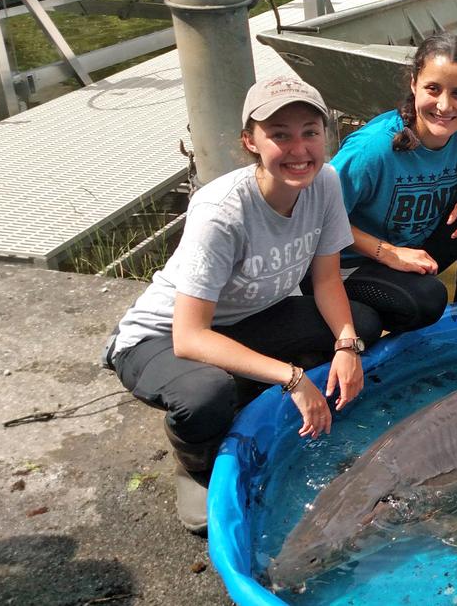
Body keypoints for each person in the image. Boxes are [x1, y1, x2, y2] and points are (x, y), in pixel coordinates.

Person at [102, 76, 383, 534]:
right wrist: (292, 378)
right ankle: (196, 462)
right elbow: (189, 335)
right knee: (205, 395)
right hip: (161, 337)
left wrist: (347, 346)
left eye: (310, 132)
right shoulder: (221, 211)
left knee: (362, 324)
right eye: (280, 134)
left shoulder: (325, 182)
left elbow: (327, 278)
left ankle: (254, 394)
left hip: (246, 319)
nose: (299, 149)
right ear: (250, 141)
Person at [324, 33, 457, 332]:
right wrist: (387, 253)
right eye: (433, 89)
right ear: (414, 84)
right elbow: (317, 221)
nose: (444, 106)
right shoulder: (371, 150)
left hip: (413, 249)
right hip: (352, 263)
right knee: (427, 299)